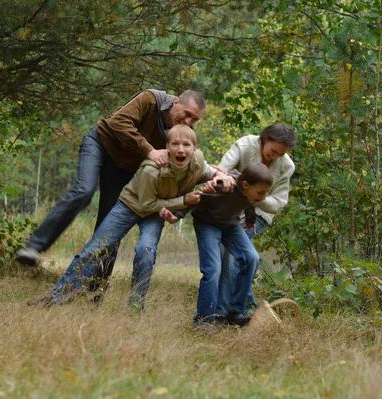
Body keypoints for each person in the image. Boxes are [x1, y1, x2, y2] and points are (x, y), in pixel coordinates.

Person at [16, 89, 207, 291]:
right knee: (84, 190)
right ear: (176, 102)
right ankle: (34, 246)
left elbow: (186, 167)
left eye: (194, 119)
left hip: (124, 168)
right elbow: (118, 122)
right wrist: (149, 150)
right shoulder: (150, 99)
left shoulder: (178, 134)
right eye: (187, 114)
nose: (188, 121)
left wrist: (212, 172)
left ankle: (95, 289)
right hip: (100, 144)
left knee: (108, 227)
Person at [31, 125, 235, 309]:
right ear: (167, 147)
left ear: (195, 148)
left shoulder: (197, 161)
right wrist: (184, 201)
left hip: (156, 211)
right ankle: (56, 298)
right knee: (96, 248)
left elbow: (209, 172)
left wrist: (222, 176)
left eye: (186, 145)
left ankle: (135, 307)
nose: (181, 149)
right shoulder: (151, 169)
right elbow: (147, 205)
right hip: (131, 205)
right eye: (175, 144)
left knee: (146, 251)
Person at [162, 163, 273, 328]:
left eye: (265, 193)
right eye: (260, 192)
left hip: (230, 225)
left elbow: (249, 203)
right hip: (207, 224)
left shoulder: (251, 192)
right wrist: (177, 215)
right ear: (245, 185)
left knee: (251, 258)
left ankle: (235, 312)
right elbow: (197, 197)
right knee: (213, 269)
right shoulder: (224, 186)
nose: (263, 197)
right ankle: (203, 320)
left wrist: (250, 219)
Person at [215, 123, 297, 317]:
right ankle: (244, 306)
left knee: (234, 254)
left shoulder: (287, 166)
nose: (275, 156)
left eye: (281, 154)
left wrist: (257, 198)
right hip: (229, 209)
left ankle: (229, 310)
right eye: (273, 150)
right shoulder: (244, 145)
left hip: (259, 215)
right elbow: (220, 172)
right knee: (223, 253)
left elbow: (279, 202)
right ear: (265, 138)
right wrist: (242, 193)